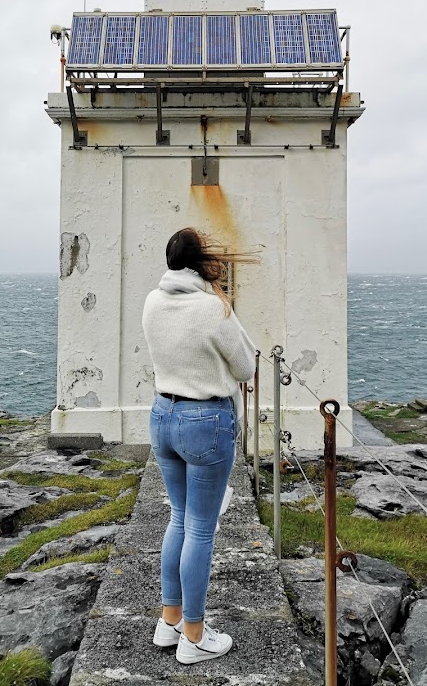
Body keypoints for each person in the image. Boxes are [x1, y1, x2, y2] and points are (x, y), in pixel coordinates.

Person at [142, 227, 257, 665]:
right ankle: (194, 636)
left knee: (179, 516)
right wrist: (222, 301)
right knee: (201, 529)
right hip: (205, 422)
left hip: (162, 416)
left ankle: (170, 621)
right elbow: (245, 366)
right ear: (202, 263)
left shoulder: (153, 301)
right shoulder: (212, 309)